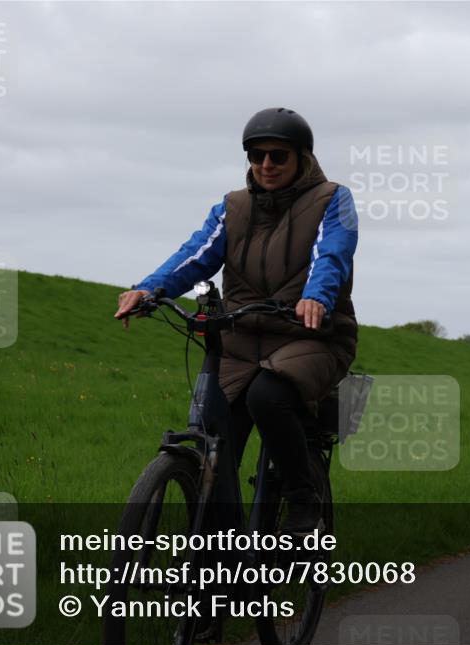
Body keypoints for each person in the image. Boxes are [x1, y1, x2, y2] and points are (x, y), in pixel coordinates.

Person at [114, 108, 359, 534]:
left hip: (311, 336)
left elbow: (330, 255)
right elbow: (194, 255)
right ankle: (219, 554)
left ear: (302, 158)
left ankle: (303, 500)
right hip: (241, 340)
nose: (266, 165)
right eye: (256, 155)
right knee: (213, 429)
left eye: (277, 156)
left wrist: (315, 299)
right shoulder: (232, 207)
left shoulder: (332, 200)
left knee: (267, 396)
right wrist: (149, 290)